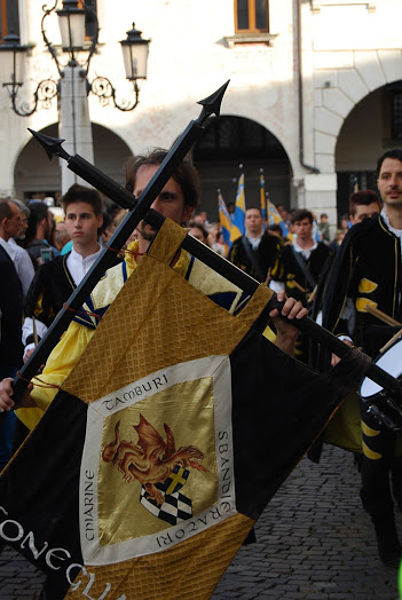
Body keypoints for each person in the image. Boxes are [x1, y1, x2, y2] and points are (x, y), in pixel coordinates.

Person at [320, 149, 402, 568]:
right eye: (386, 175)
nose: (393, 182)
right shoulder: (363, 235)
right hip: (376, 362)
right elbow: (336, 295)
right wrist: (341, 340)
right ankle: (384, 531)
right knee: (374, 462)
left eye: (400, 175)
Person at [22, 184, 106, 364]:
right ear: (65, 220)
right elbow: (35, 318)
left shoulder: (117, 266)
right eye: (71, 217)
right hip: (62, 367)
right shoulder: (49, 271)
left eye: (84, 216)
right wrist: (32, 347)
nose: (77, 224)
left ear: (99, 220)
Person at [269, 208, 333, 361]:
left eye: (305, 224)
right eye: (298, 224)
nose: (302, 228)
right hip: (293, 312)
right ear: (292, 227)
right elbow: (277, 285)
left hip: (321, 313)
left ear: (312, 226)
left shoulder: (326, 252)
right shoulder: (285, 253)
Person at [0, 199, 24, 471]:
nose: (22, 224)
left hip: (7, 357)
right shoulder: (5, 257)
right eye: (18, 218)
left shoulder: (8, 256)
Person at [228, 207, 281, 282]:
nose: (252, 220)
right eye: (249, 217)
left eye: (256, 217)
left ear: (262, 221)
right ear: (245, 222)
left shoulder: (275, 242)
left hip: (270, 289)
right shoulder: (237, 245)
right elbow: (231, 269)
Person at [22, 201, 58, 269]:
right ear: (43, 222)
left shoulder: (21, 247)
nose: (51, 225)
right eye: (50, 220)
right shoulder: (45, 251)